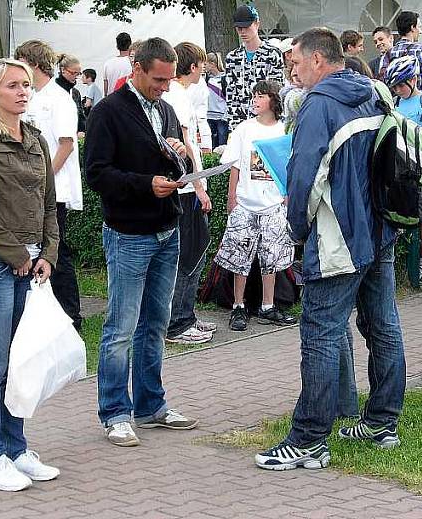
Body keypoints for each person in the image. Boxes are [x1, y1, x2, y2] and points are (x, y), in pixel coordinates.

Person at [255, 28, 406, 471]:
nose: (293, 73)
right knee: (383, 324)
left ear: (318, 61)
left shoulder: (318, 105)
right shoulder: (375, 90)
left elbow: (302, 177)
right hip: (380, 229)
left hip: (338, 235)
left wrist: (297, 229)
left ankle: (308, 440)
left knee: (320, 334)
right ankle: (382, 423)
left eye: (296, 64)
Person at [85, 37, 199, 447]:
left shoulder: (165, 109)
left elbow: (167, 164)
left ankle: (151, 404)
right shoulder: (107, 112)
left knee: (155, 324)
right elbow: (97, 174)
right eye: (158, 79)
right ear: (136, 68)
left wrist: (179, 154)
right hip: (129, 232)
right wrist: (144, 184)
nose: (164, 87)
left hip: (167, 228)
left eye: (169, 80)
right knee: (120, 327)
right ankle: (114, 412)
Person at [0, 58, 60, 492]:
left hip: (31, 266)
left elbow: (49, 205)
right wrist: (16, 252)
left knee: (21, 364)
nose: (23, 92)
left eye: (26, 85)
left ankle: (17, 449)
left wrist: (47, 254)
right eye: (13, 86)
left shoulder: (35, 138)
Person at [215, 80, 295, 331]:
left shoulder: (284, 131)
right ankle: (238, 306)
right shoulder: (243, 130)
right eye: (254, 95)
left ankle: (268, 305)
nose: (255, 100)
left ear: (274, 100)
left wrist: (287, 199)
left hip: (273, 204)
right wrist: (232, 201)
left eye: (261, 96)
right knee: (240, 256)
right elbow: (235, 167)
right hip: (246, 203)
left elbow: (288, 168)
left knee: (271, 257)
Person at [16, 40, 84, 332]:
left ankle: (71, 314)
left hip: (52, 188)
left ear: (33, 64)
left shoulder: (59, 99)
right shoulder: (32, 96)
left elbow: (66, 145)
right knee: (40, 248)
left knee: (56, 250)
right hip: (32, 187)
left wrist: (44, 178)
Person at [163, 42, 215, 345]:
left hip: (185, 186)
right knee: (191, 255)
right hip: (186, 189)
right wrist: (197, 185)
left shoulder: (176, 95)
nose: (204, 70)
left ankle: (187, 315)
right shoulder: (178, 97)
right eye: (201, 64)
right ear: (193, 66)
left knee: (191, 252)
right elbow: (182, 142)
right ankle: (178, 322)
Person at [384, 56, 422, 288]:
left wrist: (420, 151)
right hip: (402, 168)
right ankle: (402, 262)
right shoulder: (396, 104)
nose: (398, 90)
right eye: (395, 87)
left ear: (413, 79)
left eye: (401, 85)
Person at [224, 4, 285, 130]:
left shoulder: (272, 54)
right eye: (239, 28)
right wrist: (233, 125)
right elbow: (231, 94)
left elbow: (277, 90)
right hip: (239, 123)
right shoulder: (232, 57)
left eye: (247, 27)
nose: (243, 32)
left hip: (266, 122)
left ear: (257, 24)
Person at [385, 10, 422, 90]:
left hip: (395, 100)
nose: (420, 31)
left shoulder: (389, 52)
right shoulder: (420, 50)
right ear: (412, 28)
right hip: (417, 100)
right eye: (419, 27)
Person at [56, 54, 87, 134]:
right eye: (74, 73)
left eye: (79, 74)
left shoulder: (75, 93)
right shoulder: (53, 90)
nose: (76, 77)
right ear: (63, 70)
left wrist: (82, 130)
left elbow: (81, 116)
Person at [205, 52, 229, 148]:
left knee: (222, 142)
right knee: (211, 143)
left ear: (213, 64)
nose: (204, 66)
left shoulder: (224, 78)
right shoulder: (206, 79)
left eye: (206, 64)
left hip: (221, 116)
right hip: (209, 116)